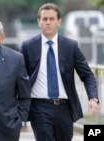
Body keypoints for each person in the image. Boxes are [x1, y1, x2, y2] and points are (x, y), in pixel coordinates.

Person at [20, 3, 99, 141]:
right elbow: (19, 78)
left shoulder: (71, 46)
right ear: (39, 21)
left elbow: (87, 75)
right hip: (40, 107)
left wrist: (93, 98)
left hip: (65, 108)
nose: (48, 22)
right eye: (44, 19)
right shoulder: (28, 46)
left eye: (52, 19)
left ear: (59, 21)